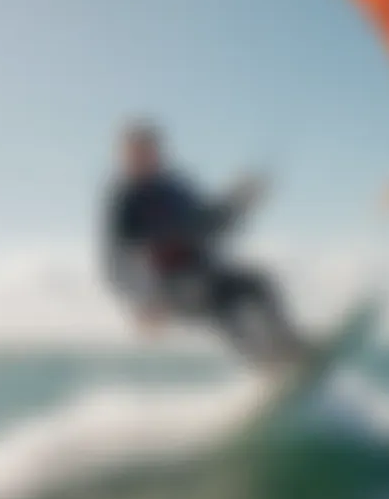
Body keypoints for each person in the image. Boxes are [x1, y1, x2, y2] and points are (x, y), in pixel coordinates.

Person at [102, 120, 306, 367]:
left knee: (258, 284)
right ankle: (266, 365)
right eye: (135, 153)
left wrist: (240, 201)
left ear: (157, 152)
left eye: (148, 150)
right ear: (125, 156)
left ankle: (291, 347)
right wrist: (144, 301)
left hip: (203, 270)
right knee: (218, 305)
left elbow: (211, 224)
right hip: (168, 285)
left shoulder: (175, 189)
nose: (143, 158)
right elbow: (117, 262)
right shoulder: (125, 201)